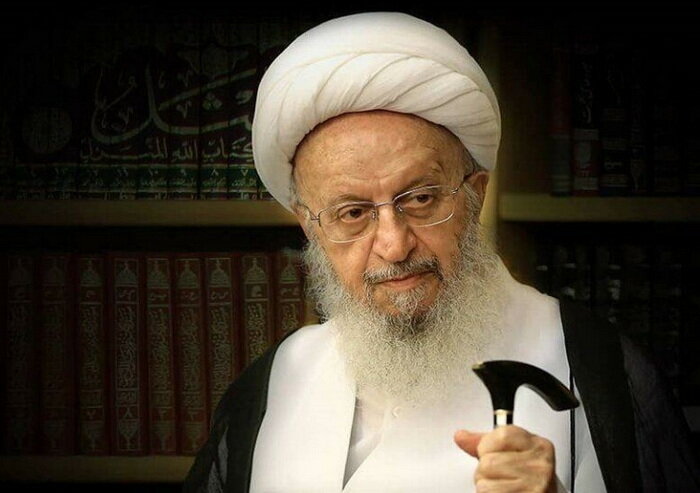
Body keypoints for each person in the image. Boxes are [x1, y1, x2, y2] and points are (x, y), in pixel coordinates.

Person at [183, 12, 700, 493]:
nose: (394, 245)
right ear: (311, 227)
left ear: (474, 195)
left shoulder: (599, 371)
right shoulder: (273, 383)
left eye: (421, 199)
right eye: (352, 213)